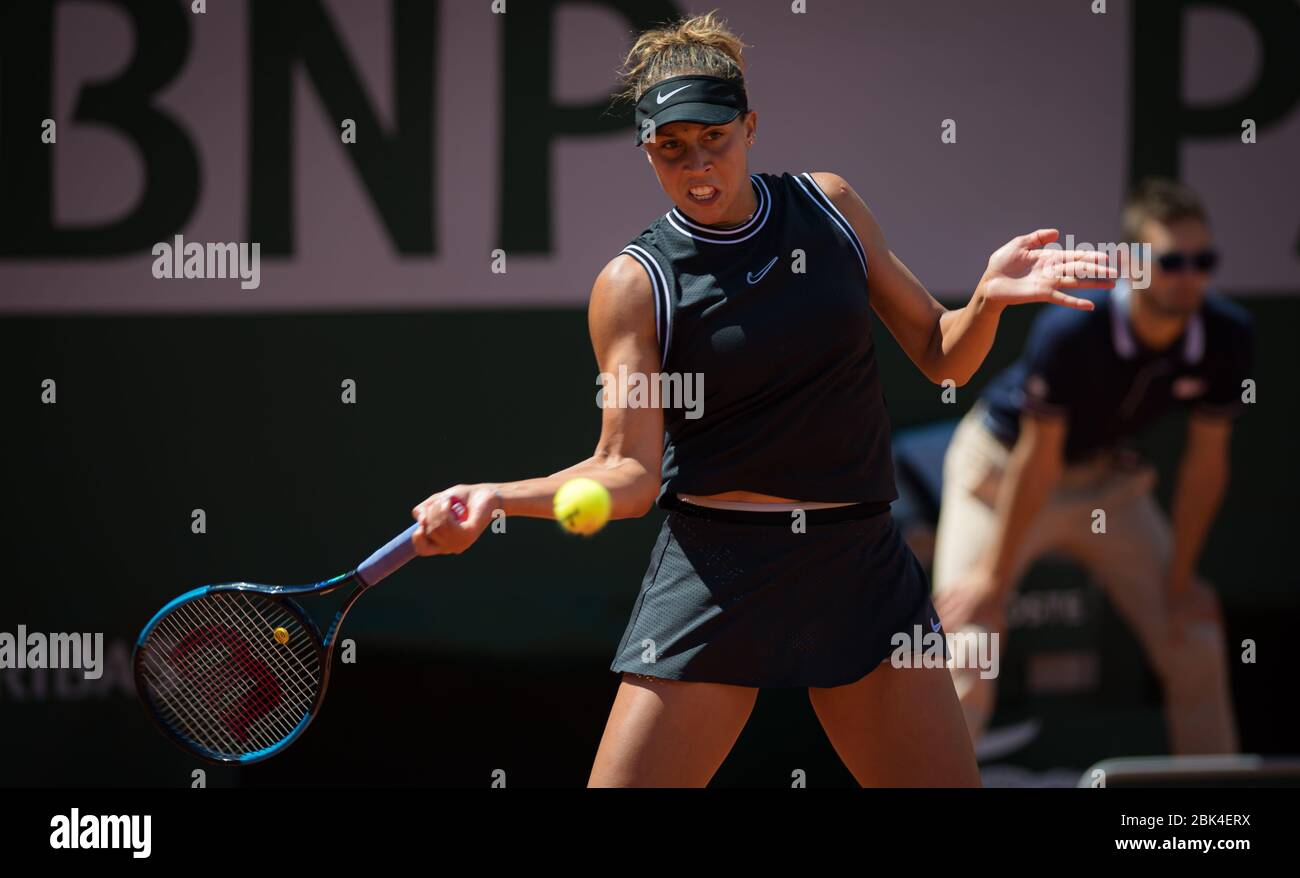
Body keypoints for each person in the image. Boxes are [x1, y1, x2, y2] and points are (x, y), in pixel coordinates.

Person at [407, 10, 1110, 787]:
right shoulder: (634, 286)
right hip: (718, 572)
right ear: (647, 151)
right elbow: (627, 475)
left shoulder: (832, 207)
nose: (697, 163)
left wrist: (986, 301)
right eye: (671, 147)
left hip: (859, 565)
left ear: (750, 126)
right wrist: (495, 497)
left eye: (715, 136)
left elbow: (943, 357)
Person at [931, 178, 1254, 756]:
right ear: (1134, 266)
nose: (1190, 276)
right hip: (1003, 474)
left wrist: (1180, 581)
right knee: (968, 641)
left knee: (1194, 635)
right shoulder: (1074, 326)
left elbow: (1207, 465)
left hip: (1107, 486)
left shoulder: (1228, 335)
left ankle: (1217, 816)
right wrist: (993, 582)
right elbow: (1038, 461)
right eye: (1171, 261)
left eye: (1203, 260)